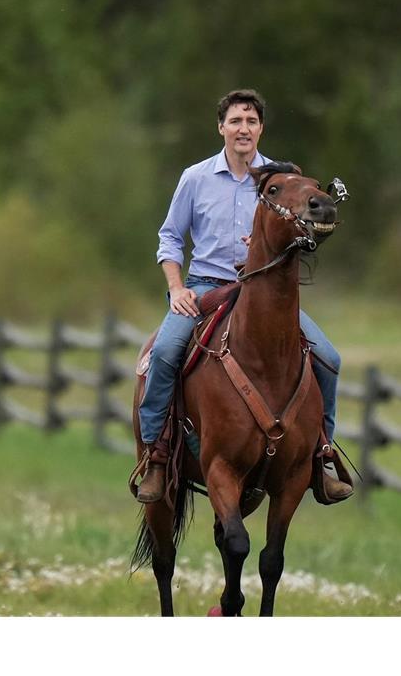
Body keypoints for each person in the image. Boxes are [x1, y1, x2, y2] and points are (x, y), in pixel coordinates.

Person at [134, 89, 351, 504]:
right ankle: (157, 457)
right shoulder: (195, 178)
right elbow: (169, 237)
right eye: (235, 121)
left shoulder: (282, 179)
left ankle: (321, 454)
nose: (243, 129)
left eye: (251, 122)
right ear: (221, 128)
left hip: (262, 291)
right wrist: (177, 288)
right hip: (204, 287)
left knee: (329, 357)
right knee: (163, 354)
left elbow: (304, 228)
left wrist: (276, 240)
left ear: (260, 128)